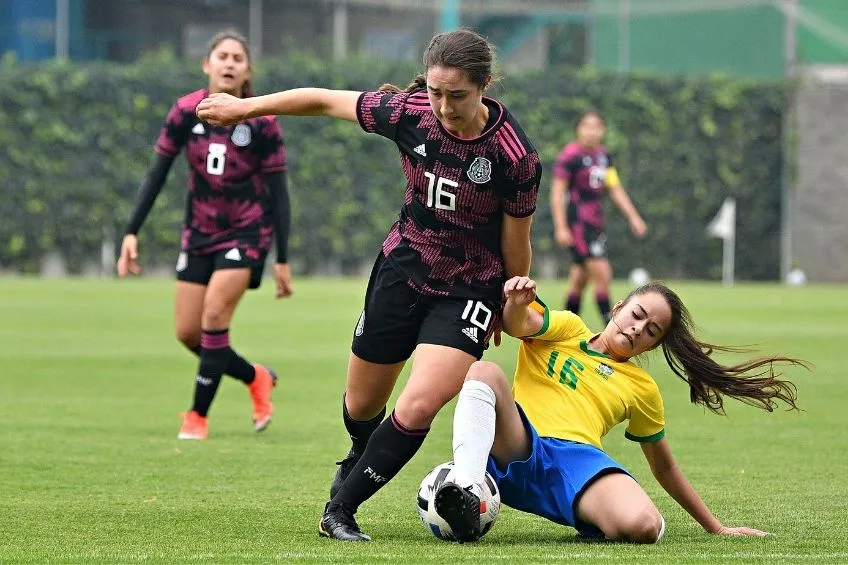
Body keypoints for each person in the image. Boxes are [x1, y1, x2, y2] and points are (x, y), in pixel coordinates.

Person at [197, 28, 541, 541]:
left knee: (418, 403)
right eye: (435, 91)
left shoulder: (515, 158)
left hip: (467, 292)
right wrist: (244, 109)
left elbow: (518, 242)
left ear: (486, 85)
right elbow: (320, 99)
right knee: (361, 406)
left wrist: (505, 301)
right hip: (402, 272)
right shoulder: (409, 114)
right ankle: (363, 453)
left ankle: (341, 508)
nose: (444, 107)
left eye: (458, 95)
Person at [434, 275, 805, 543]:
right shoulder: (568, 329)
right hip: (519, 443)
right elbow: (519, 324)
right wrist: (516, 301)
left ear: (652, 346)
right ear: (618, 307)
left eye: (652, 330)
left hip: (578, 463)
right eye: (637, 314)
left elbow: (664, 466)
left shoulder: (642, 388)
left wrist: (715, 526)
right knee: (484, 370)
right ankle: (466, 486)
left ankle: (596, 510)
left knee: (643, 526)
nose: (638, 329)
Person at [117, 30, 293, 441]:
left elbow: (280, 195)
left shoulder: (262, 120)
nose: (229, 63)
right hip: (198, 233)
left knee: (214, 316)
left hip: (247, 233)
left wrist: (281, 258)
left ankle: (196, 417)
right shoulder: (183, 112)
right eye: (222, 56)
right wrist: (131, 231)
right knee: (188, 333)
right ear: (207, 65)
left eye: (238, 58)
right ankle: (256, 377)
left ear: (247, 69)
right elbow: (157, 174)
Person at [550, 110, 647, 325]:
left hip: (595, 225)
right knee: (603, 275)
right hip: (578, 225)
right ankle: (614, 328)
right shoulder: (570, 156)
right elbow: (557, 192)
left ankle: (565, 330)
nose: (591, 131)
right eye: (587, 126)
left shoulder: (603, 156)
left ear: (603, 130)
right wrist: (561, 227)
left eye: (597, 127)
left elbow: (615, 188)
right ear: (578, 129)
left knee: (579, 281)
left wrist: (634, 217)